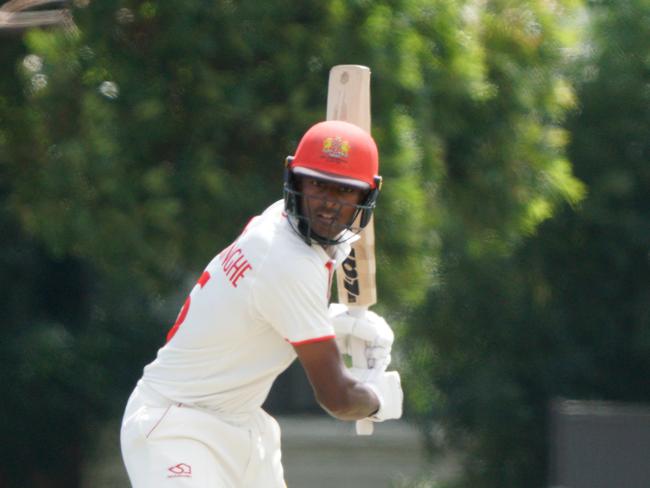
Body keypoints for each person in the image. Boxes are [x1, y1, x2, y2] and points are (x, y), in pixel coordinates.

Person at [120, 120, 404, 487]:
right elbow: (336, 396)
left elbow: (263, 305)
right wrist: (378, 399)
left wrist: (331, 319)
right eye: (317, 184)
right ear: (294, 179)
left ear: (366, 197)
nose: (328, 206)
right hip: (176, 426)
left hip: (244, 427)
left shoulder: (283, 222)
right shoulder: (286, 258)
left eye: (344, 191)